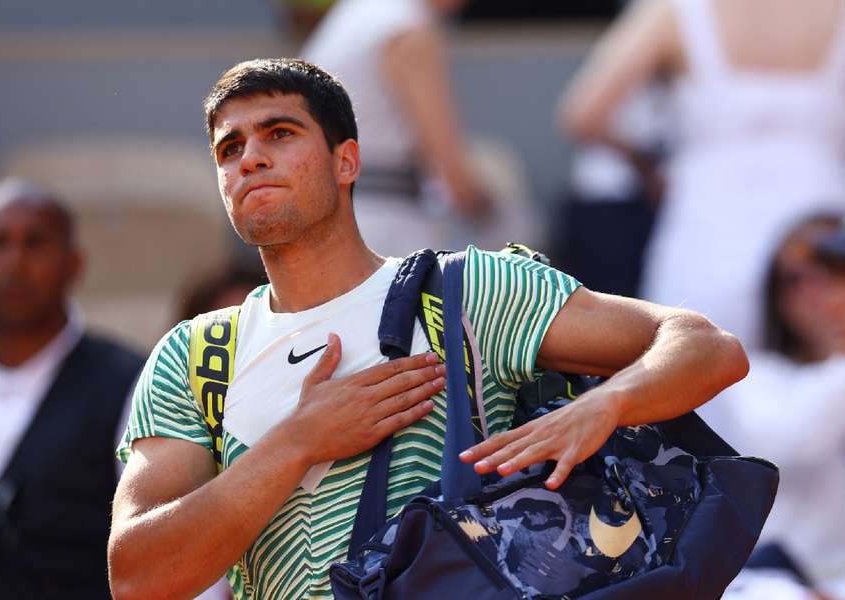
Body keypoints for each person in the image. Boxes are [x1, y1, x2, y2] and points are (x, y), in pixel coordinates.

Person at [107, 58, 749, 600]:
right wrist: (299, 441)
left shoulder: (471, 289)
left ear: (346, 161)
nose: (251, 159)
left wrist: (608, 404)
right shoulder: (193, 356)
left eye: (279, 133)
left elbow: (708, 348)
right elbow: (137, 578)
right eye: (230, 148)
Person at [559, 0, 845, 350]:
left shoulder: (676, 9)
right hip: (824, 243)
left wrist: (648, 169)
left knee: (694, 376)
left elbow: (584, 114)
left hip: (709, 231)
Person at [0, 178, 144, 598]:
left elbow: (163, 546)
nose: (15, 263)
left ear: (74, 263)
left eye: (35, 243)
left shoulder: (131, 384)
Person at [700, 213, 845, 598]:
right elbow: (790, 442)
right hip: (769, 579)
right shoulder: (751, 374)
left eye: (833, 269)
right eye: (795, 278)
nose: (818, 292)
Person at [301, 0, 491, 256]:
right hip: (381, 224)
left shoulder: (359, 12)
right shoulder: (406, 28)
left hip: (324, 211)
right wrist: (495, 214)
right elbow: (452, 174)